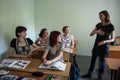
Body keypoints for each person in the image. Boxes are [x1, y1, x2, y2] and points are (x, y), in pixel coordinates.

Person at [82, 10, 115, 80]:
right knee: (93, 60)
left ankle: (100, 76)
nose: (100, 17)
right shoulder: (98, 25)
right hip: (97, 45)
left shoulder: (111, 26)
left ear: (106, 16)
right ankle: (89, 74)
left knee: (102, 62)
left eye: (101, 15)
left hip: (104, 46)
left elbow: (112, 39)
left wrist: (105, 41)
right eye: (99, 15)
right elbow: (90, 34)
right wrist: (97, 31)